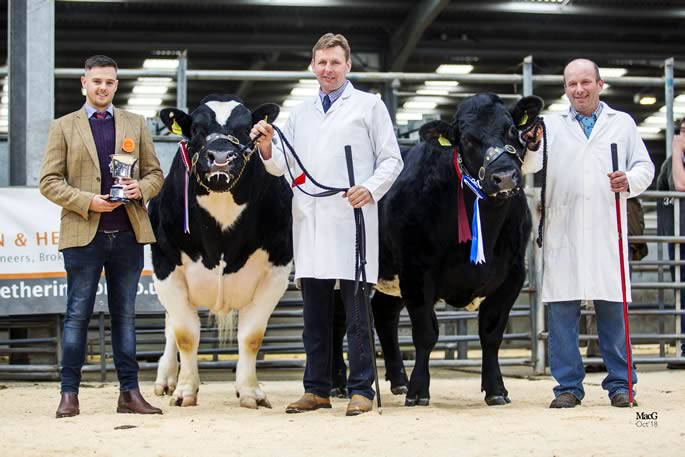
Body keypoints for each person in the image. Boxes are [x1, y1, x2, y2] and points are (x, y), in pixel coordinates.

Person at [251, 33, 403, 416]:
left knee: (355, 314)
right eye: (321, 62)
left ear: (348, 65)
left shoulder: (369, 106)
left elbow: (392, 160)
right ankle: (316, 389)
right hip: (311, 220)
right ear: (312, 66)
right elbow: (281, 166)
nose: (328, 69)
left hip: (352, 217)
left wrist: (369, 188)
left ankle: (361, 389)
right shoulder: (299, 112)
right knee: (314, 317)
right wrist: (266, 144)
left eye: (335, 62)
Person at [523, 58, 654, 408]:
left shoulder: (622, 123)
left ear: (600, 84)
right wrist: (531, 145)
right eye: (571, 84)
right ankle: (567, 387)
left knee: (612, 307)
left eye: (585, 82)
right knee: (563, 310)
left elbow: (645, 167)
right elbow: (529, 167)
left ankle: (621, 385)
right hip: (563, 227)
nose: (578, 90)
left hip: (605, 226)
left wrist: (630, 180)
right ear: (565, 88)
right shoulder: (549, 124)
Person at [39, 55, 164, 418]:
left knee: (125, 317)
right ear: (84, 83)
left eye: (109, 82)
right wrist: (87, 201)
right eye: (96, 81)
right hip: (84, 233)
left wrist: (139, 188)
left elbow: (156, 174)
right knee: (77, 315)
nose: (103, 87)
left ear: (116, 85)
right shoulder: (63, 127)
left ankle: (129, 394)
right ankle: (69, 394)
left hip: (128, 234)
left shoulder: (135, 123)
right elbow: (48, 182)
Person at [659, 117, 685, 368]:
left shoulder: (674, 161)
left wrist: (676, 151)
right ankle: (682, 345)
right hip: (677, 238)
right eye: (682, 131)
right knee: (681, 293)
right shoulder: (670, 164)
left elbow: (680, 185)